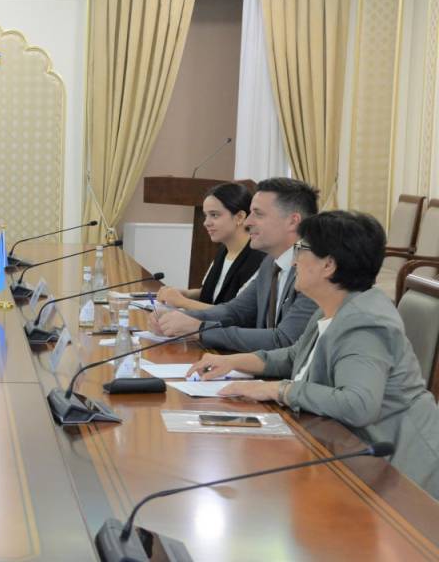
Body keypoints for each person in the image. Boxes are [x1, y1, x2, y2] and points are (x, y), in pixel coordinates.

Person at [188, 211, 439, 498]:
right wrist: (231, 362)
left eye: (301, 250)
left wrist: (278, 390)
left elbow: (358, 404)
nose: (294, 261)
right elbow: (296, 356)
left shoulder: (365, 324)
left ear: (328, 265)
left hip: (403, 476)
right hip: (352, 452)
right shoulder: (332, 306)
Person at [151, 177, 319, 352]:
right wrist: (176, 317)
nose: (247, 222)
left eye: (258, 214)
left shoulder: (316, 270)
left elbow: (284, 341)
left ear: (293, 221)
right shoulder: (271, 262)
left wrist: (199, 329)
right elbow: (235, 311)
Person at [156, 182, 265, 310]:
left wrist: (182, 302)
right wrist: (185, 294)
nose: (206, 223)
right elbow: (212, 293)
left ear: (239, 217)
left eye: (214, 215)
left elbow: (234, 313)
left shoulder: (259, 258)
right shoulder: (224, 249)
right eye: (206, 215)